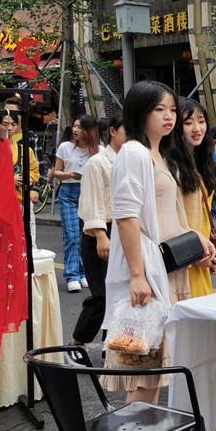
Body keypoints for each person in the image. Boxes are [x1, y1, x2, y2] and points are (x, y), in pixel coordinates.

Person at [101, 81, 214, 405]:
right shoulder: (135, 152)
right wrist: (137, 275)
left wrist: (196, 239)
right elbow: (126, 217)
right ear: (140, 113)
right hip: (149, 269)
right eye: (159, 109)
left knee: (155, 367)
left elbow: (167, 212)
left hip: (167, 267)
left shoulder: (159, 153)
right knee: (142, 366)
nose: (169, 116)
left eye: (172, 109)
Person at [70, 114, 125, 346]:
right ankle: (76, 341)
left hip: (124, 231)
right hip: (99, 232)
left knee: (120, 295)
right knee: (103, 295)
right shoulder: (98, 162)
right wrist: (101, 235)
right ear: (112, 131)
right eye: (127, 130)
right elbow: (91, 202)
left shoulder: (131, 161)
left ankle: (109, 346)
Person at [170, 98, 216, 297]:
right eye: (188, 122)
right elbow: (172, 218)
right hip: (183, 257)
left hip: (202, 253)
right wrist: (196, 253)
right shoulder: (171, 167)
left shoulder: (202, 163)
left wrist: (207, 251)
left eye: (201, 121)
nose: (197, 128)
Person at [50, 115, 101, 293]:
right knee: (71, 235)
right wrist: (70, 174)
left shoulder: (99, 151)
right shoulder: (65, 147)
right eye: (74, 126)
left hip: (89, 193)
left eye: (80, 127)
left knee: (86, 236)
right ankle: (72, 275)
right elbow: (56, 172)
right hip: (68, 193)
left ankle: (82, 271)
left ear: (89, 130)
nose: (75, 130)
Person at [0, 108, 39, 202]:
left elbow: (34, 171)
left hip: (20, 200)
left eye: (13, 124)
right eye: (5, 124)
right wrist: (9, 180)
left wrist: (29, 178)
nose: (9, 128)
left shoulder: (26, 150)